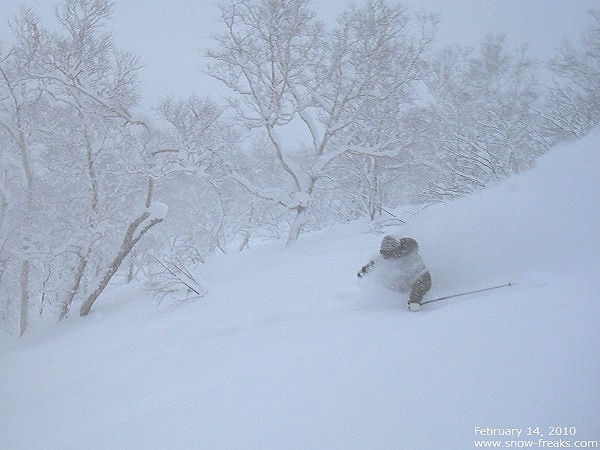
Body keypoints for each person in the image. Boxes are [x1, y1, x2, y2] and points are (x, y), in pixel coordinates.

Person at [358, 235, 431, 311]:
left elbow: (423, 280)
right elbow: (378, 260)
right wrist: (365, 270)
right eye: (383, 252)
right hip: (392, 288)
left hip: (407, 288)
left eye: (387, 253)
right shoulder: (388, 254)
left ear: (396, 250)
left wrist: (415, 300)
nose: (385, 256)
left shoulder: (412, 260)